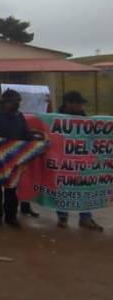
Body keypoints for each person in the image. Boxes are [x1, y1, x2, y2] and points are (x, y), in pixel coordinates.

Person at [0, 89, 37, 228]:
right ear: (4, 102)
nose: (17, 105)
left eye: (18, 102)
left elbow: (25, 134)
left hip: (13, 158)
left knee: (11, 189)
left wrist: (36, 142)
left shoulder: (19, 116)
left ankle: (11, 216)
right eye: (14, 102)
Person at [55, 91, 104, 232]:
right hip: (63, 161)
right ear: (68, 103)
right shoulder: (55, 118)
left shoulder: (85, 119)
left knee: (84, 188)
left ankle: (85, 218)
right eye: (78, 103)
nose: (81, 106)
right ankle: (62, 217)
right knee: (63, 187)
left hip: (82, 162)